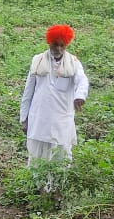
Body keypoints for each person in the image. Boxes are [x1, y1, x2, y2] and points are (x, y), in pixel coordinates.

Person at [19, 24, 89, 169]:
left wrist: (80, 96)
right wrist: (24, 118)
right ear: (49, 42)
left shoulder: (73, 62)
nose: (58, 49)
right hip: (38, 119)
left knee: (61, 157)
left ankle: (57, 190)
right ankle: (38, 189)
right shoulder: (37, 60)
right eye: (55, 45)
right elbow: (28, 92)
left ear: (66, 45)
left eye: (62, 45)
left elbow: (82, 80)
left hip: (62, 120)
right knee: (37, 158)